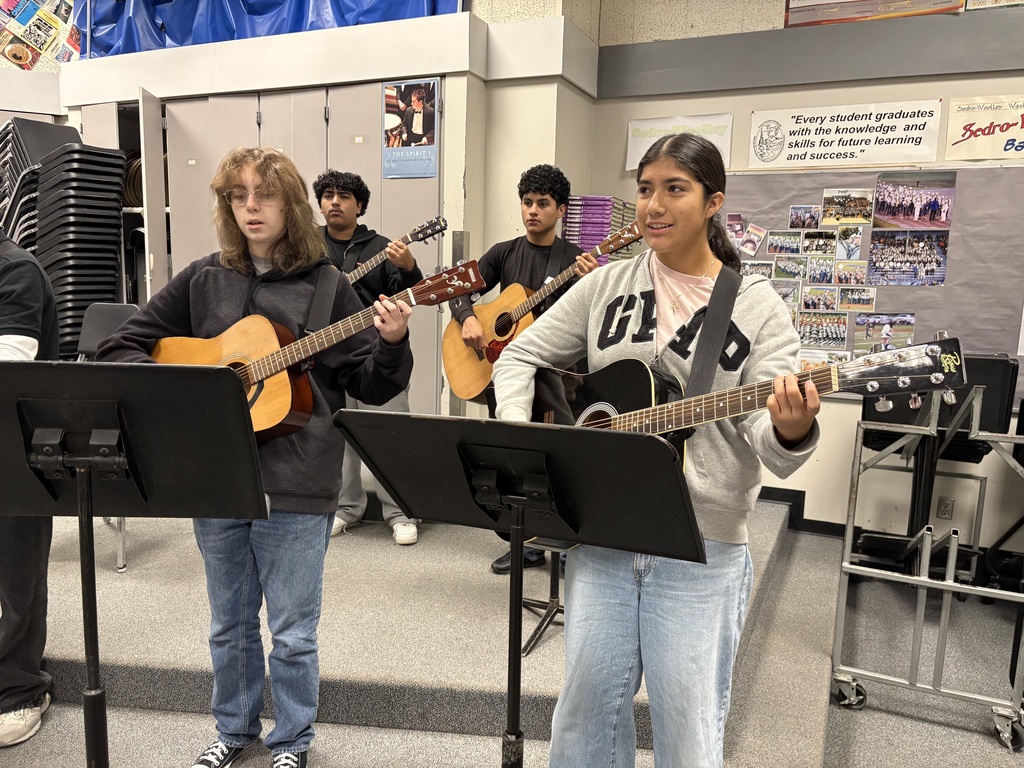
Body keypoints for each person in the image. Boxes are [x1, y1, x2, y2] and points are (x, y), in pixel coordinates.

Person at [492, 134, 820, 767]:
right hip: (604, 535)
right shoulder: (608, 284)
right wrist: (521, 436)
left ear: (713, 201)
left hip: (702, 546)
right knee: (586, 715)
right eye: (645, 189)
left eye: (675, 188)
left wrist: (791, 427)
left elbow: (768, 445)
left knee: (688, 728)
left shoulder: (756, 307)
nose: (653, 205)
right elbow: (522, 353)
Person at [96, 147, 413, 768]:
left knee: (292, 632)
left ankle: (291, 740)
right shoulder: (203, 277)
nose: (249, 208)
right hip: (215, 476)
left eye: (262, 195)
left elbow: (371, 385)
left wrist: (394, 341)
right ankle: (233, 730)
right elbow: (121, 345)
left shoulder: (329, 287)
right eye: (237, 196)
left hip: (300, 478)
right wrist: (188, 393)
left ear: (290, 205)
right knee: (228, 623)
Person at [448, 164, 598, 575]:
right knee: (513, 465)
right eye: (527, 202)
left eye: (543, 204)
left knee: (558, 462)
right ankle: (525, 544)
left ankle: (567, 546)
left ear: (560, 209)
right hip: (507, 376)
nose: (533, 210)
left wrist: (591, 284)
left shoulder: (575, 261)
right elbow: (459, 289)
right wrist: (467, 318)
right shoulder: (503, 252)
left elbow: (591, 319)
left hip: (557, 379)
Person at [313, 169, 423, 545]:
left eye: (343, 196)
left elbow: (409, 295)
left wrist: (408, 267)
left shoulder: (382, 248)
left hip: (377, 354)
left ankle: (400, 511)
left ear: (359, 206)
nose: (334, 202)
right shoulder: (307, 246)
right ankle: (347, 508)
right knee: (337, 434)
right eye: (328, 195)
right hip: (324, 355)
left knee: (388, 434)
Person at [0, 229, 59, 749]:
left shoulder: (15, 271)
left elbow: (9, 366)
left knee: (16, 581)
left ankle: (19, 690)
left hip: (15, 452)